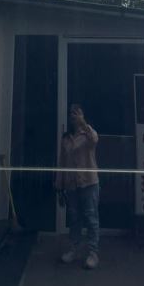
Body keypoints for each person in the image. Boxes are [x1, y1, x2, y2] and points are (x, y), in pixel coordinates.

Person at [55, 104, 100, 269]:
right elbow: (62, 163)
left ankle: (93, 253)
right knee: (74, 218)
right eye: (71, 113)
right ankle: (74, 249)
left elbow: (94, 139)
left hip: (88, 182)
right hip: (71, 184)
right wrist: (59, 186)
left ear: (82, 115)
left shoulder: (88, 134)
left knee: (91, 217)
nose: (73, 116)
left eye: (77, 113)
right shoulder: (66, 138)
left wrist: (84, 123)